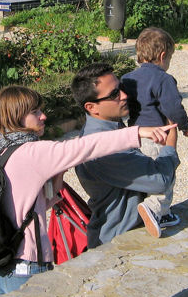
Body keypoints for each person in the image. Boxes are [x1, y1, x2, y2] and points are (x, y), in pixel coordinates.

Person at [0, 84, 173, 297]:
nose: (43, 116)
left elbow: (33, 203)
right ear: (16, 117)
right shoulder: (32, 152)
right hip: (26, 266)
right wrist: (136, 132)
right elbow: (85, 146)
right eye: (35, 112)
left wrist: (57, 174)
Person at [72, 62, 180, 248]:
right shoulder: (103, 148)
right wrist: (172, 140)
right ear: (91, 107)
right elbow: (160, 180)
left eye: (121, 88)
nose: (124, 95)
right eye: (114, 94)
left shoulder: (107, 129)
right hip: (117, 241)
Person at [121, 27, 187, 237]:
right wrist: (184, 124)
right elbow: (173, 108)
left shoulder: (127, 78)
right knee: (164, 173)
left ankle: (150, 211)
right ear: (163, 55)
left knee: (144, 176)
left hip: (134, 135)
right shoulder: (164, 79)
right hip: (157, 137)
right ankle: (156, 208)